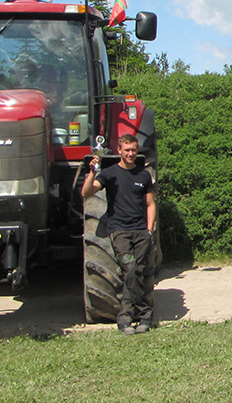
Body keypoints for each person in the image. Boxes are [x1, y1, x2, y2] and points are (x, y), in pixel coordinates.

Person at [81, 134, 157, 334]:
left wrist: (149, 229)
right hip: (120, 230)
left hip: (140, 230)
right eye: (127, 150)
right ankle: (137, 315)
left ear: (137, 150)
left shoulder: (143, 175)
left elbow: (150, 204)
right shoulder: (109, 173)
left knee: (138, 270)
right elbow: (86, 192)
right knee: (130, 268)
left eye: (133, 150)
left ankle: (134, 319)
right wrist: (91, 172)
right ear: (120, 151)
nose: (130, 153)